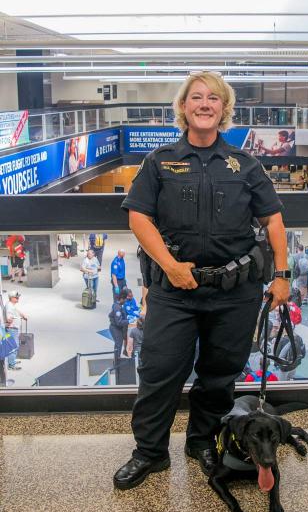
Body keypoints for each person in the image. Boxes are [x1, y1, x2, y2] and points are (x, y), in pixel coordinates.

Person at [113, 70, 290, 490]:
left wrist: (281, 274)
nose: (205, 104)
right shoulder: (158, 162)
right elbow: (139, 216)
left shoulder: (247, 164)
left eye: (213, 98)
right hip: (175, 290)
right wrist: (170, 266)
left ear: (224, 109)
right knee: (158, 372)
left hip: (235, 293)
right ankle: (150, 454)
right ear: (184, 107)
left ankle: (201, 442)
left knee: (219, 375)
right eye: (197, 97)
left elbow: (274, 218)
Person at [5, 291, 26, 370]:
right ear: (11, 298)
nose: (18, 298)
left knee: (14, 346)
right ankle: (11, 365)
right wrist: (11, 320)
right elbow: (8, 318)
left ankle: (12, 360)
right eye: (16, 297)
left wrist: (22, 315)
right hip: (12, 329)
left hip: (14, 329)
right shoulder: (9, 306)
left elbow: (16, 311)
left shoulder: (11, 304)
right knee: (13, 347)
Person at [108, 292, 129, 363]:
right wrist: (128, 321)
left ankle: (116, 358)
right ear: (122, 299)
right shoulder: (117, 307)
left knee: (118, 344)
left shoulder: (118, 305)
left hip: (117, 328)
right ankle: (116, 361)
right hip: (115, 328)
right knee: (118, 344)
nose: (126, 301)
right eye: (125, 299)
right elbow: (119, 322)